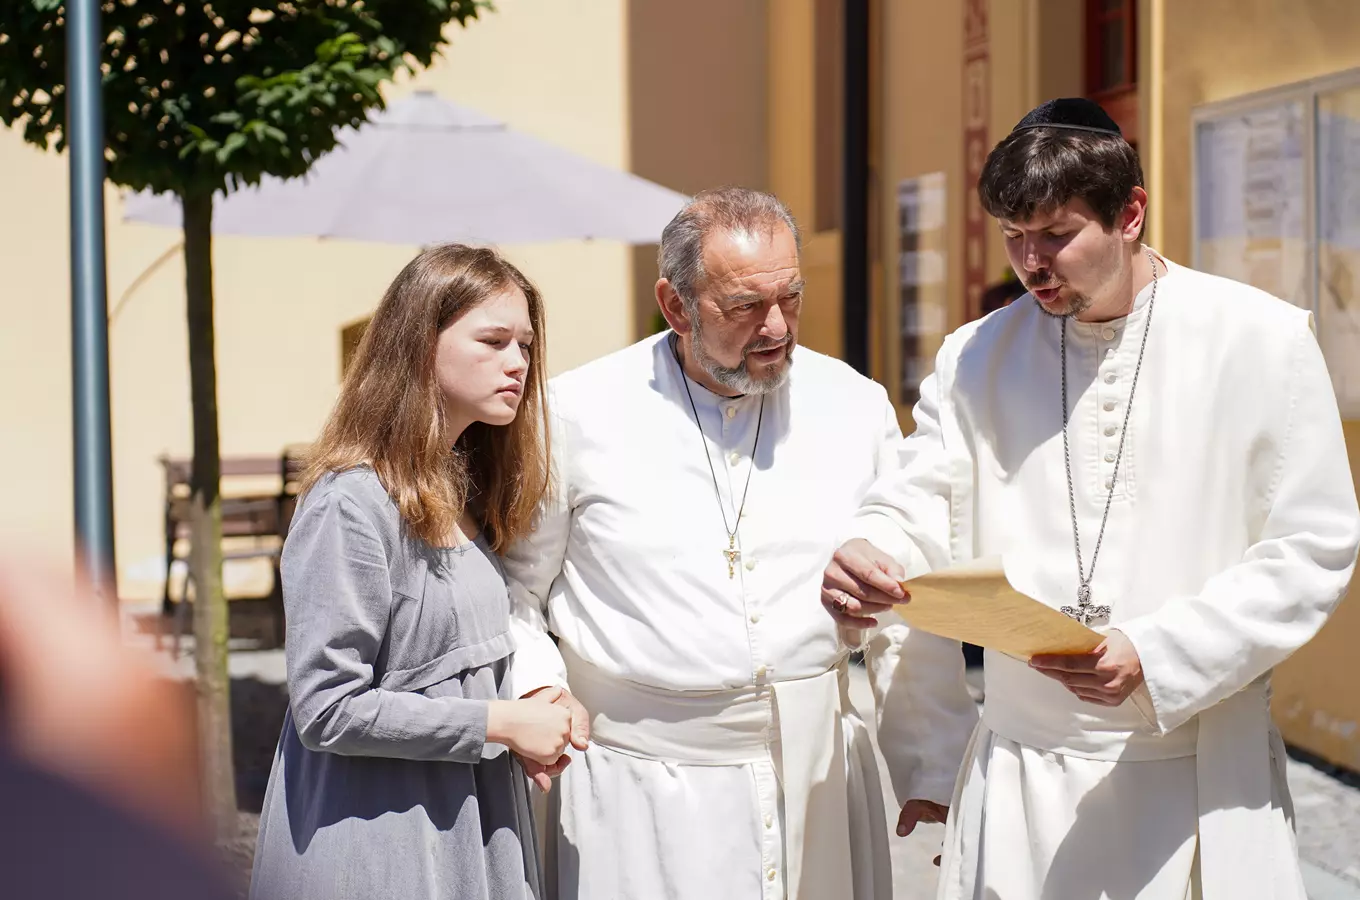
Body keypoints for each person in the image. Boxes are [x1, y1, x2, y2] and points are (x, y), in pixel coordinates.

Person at [822, 97, 1360, 899]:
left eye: (1056, 234)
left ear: (1130, 213)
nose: (1030, 263)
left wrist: (1160, 653)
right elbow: (920, 495)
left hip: (1194, 766)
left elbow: (1311, 549)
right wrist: (876, 548)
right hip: (1023, 780)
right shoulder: (976, 355)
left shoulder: (1262, 341)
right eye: (1014, 236)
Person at [503, 187, 978, 900]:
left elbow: (900, 599)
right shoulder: (575, 413)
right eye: (746, 306)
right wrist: (538, 687)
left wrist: (934, 765)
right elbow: (515, 590)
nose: (777, 326)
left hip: (814, 777)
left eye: (791, 297)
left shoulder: (853, 404)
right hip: (640, 789)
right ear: (676, 305)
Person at [249, 244, 588, 900]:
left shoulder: (463, 486)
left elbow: (452, 661)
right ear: (420, 345)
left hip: (468, 818)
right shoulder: (351, 501)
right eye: (493, 341)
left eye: (525, 344)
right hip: (379, 839)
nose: (518, 363)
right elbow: (327, 707)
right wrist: (498, 724)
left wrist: (533, 699)